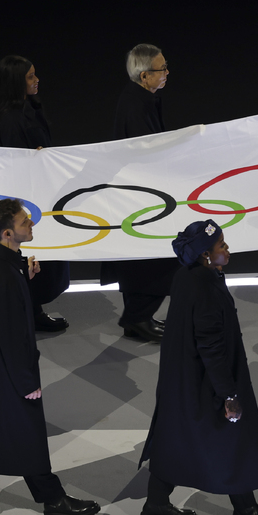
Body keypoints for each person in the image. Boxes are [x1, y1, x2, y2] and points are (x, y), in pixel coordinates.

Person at [0, 198, 100, 515]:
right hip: (7, 370)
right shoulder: (4, 274)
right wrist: (27, 381)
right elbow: (13, 332)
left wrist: (22, 273)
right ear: (6, 233)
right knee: (27, 431)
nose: (31, 225)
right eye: (24, 222)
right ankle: (53, 499)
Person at [137, 220, 258, 515]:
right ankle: (245, 510)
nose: (227, 249)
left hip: (183, 380)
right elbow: (211, 347)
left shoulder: (188, 276)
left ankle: (156, 504)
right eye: (222, 245)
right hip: (206, 381)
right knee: (233, 437)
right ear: (206, 254)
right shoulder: (205, 288)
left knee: (178, 439)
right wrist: (229, 394)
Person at [0, 55, 70, 333]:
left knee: (41, 260)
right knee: (33, 258)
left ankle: (29, 310)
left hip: (38, 194)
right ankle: (27, 312)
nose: (37, 80)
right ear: (15, 83)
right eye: (30, 77)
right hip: (26, 199)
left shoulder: (26, 108)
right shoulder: (10, 119)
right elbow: (13, 163)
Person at [99, 43, 178, 343]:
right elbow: (143, 153)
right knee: (155, 261)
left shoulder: (141, 98)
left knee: (144, 262)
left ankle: (138, 318)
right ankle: (136, 318)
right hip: (141, 196)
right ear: (145, 76)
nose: (167, 72)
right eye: (162, 69)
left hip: (141, 194)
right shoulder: (136, 105)